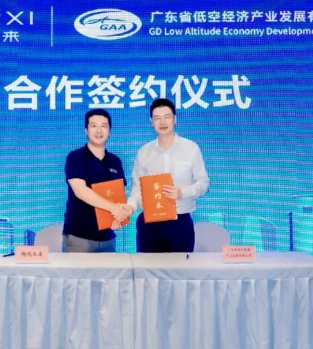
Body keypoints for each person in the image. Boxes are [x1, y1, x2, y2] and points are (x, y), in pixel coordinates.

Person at [126, 98, 209, 252]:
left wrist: (182, 192)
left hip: (180, 222)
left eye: (167, 117)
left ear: (174, 119)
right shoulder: (144, 152)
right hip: (149, 224)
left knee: (180, 267)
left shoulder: (191, 148)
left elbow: (203, 183)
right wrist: (130, 207)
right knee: (146, 267)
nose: (162, 122)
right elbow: (137, 190)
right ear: (151, 121)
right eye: (157, 118)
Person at [63, 108, 130, 252]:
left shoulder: (115, 161)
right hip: (79, 237)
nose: (99, 130)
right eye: (94, 126)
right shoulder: (75, 157)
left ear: (109, 131)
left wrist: (118, 217)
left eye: (103, 126)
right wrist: (113, 208)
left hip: (108, 237)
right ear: (86, 131)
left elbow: (118, 196)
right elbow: (80, 191)